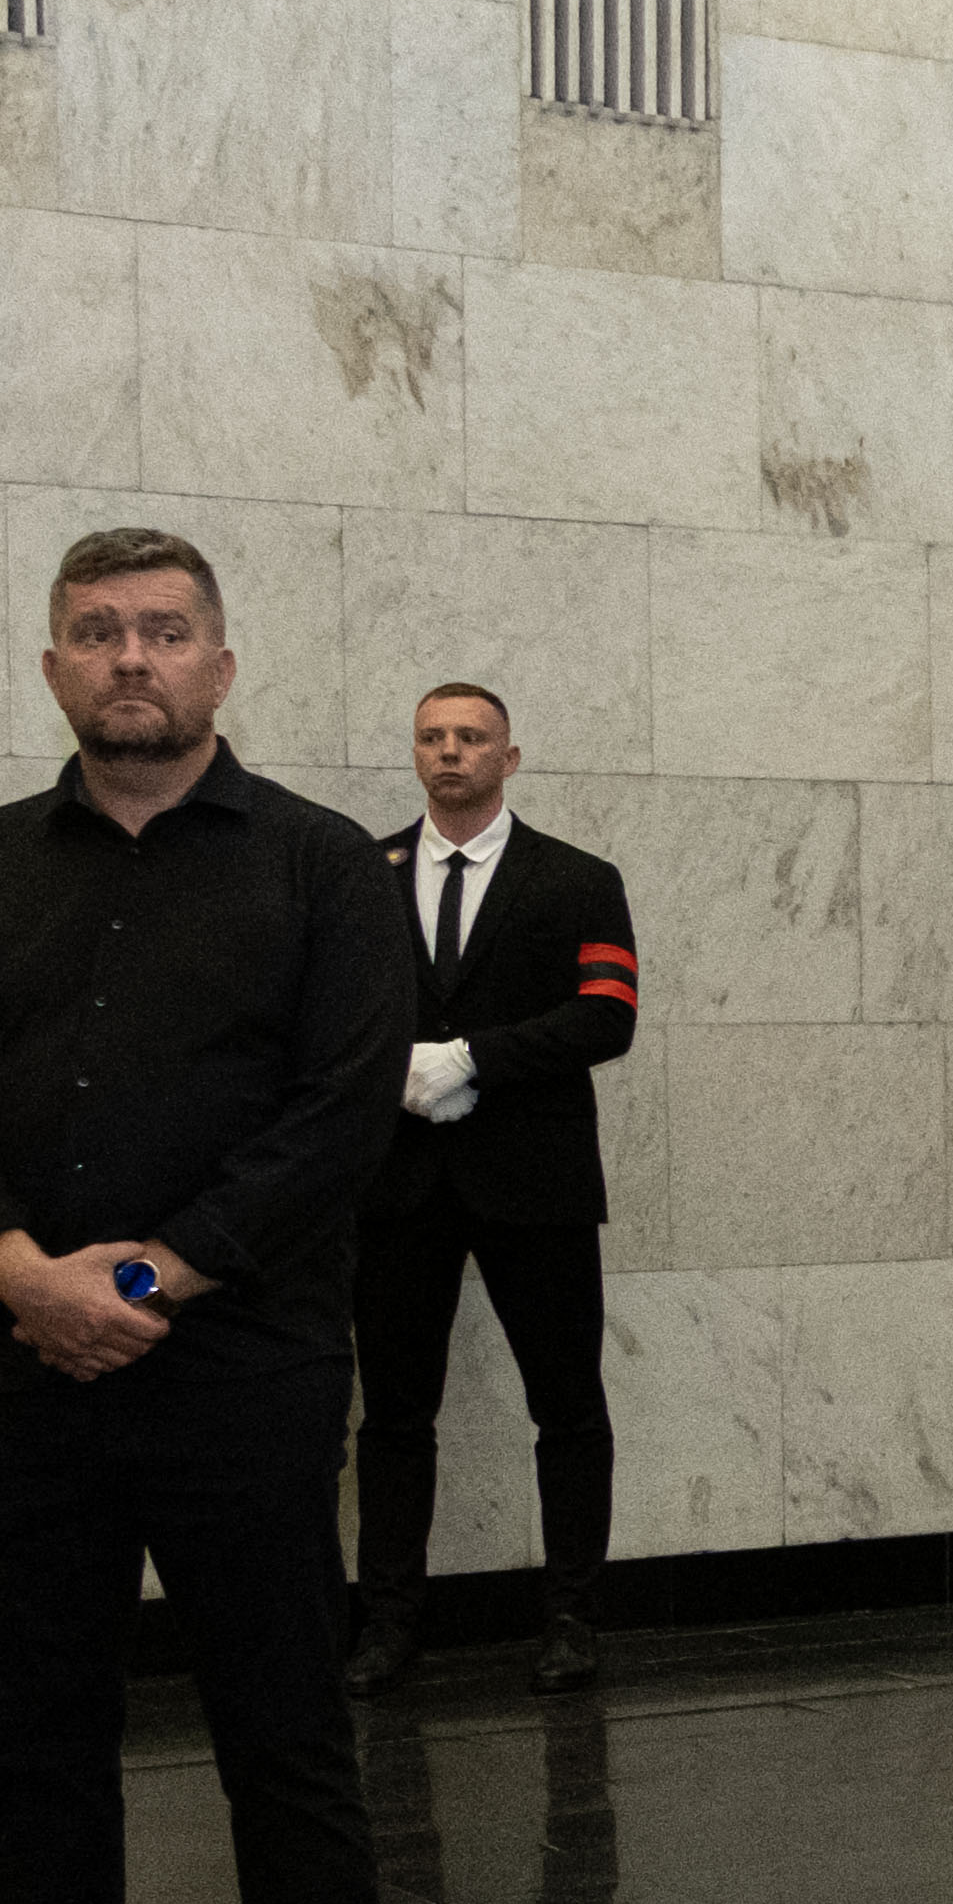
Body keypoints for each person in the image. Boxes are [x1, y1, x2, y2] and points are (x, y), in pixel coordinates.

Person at [0, 528, 422, 1904]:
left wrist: (150, 1273)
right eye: (97, 632)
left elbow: (341, 1111)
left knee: (284, 1739)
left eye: (164, 632)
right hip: (17, 1374)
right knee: (33, 1750)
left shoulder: (324, 869)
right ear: (53, 667)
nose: (130, 659)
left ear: (220, 666)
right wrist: (22, 1273)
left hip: (238, 1371)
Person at [345, 680, 638, 1699]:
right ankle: (388, 1623)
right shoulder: (362, 875)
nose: (450, 751)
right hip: (398, 1184)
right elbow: (325, 1018)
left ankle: (571, 1618)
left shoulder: (577, 879)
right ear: (414, 753)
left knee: (568, 1406)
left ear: (508, 758)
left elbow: (608, 1013)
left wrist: (474, 1057)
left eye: (471, 737)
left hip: (535, 1180)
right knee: (392, 1417)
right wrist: (395, 1070)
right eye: (432, 736)